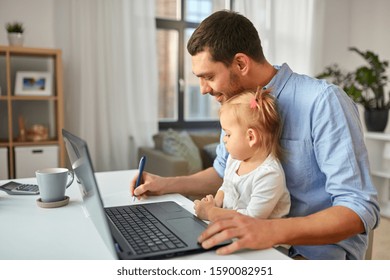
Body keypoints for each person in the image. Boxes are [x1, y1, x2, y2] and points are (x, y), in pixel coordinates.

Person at [131, 10, 380, 259]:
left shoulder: (322, 101)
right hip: (255, 244)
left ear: (241, 63)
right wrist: (165, 184)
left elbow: (358, 208)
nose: (204, 89)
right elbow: (221, 172)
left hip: (312, 255)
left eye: (208, 77)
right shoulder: (235, 105)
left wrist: (268, 230)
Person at [194, 88, 290, 222]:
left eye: (228, 134)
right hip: (234, 231)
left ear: (251, 137)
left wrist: (211, 213)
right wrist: (215, 203)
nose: (224, 139)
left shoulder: (269, 174)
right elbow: (225, 187)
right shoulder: (234, 161)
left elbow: (252, 218)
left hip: (265, 241)